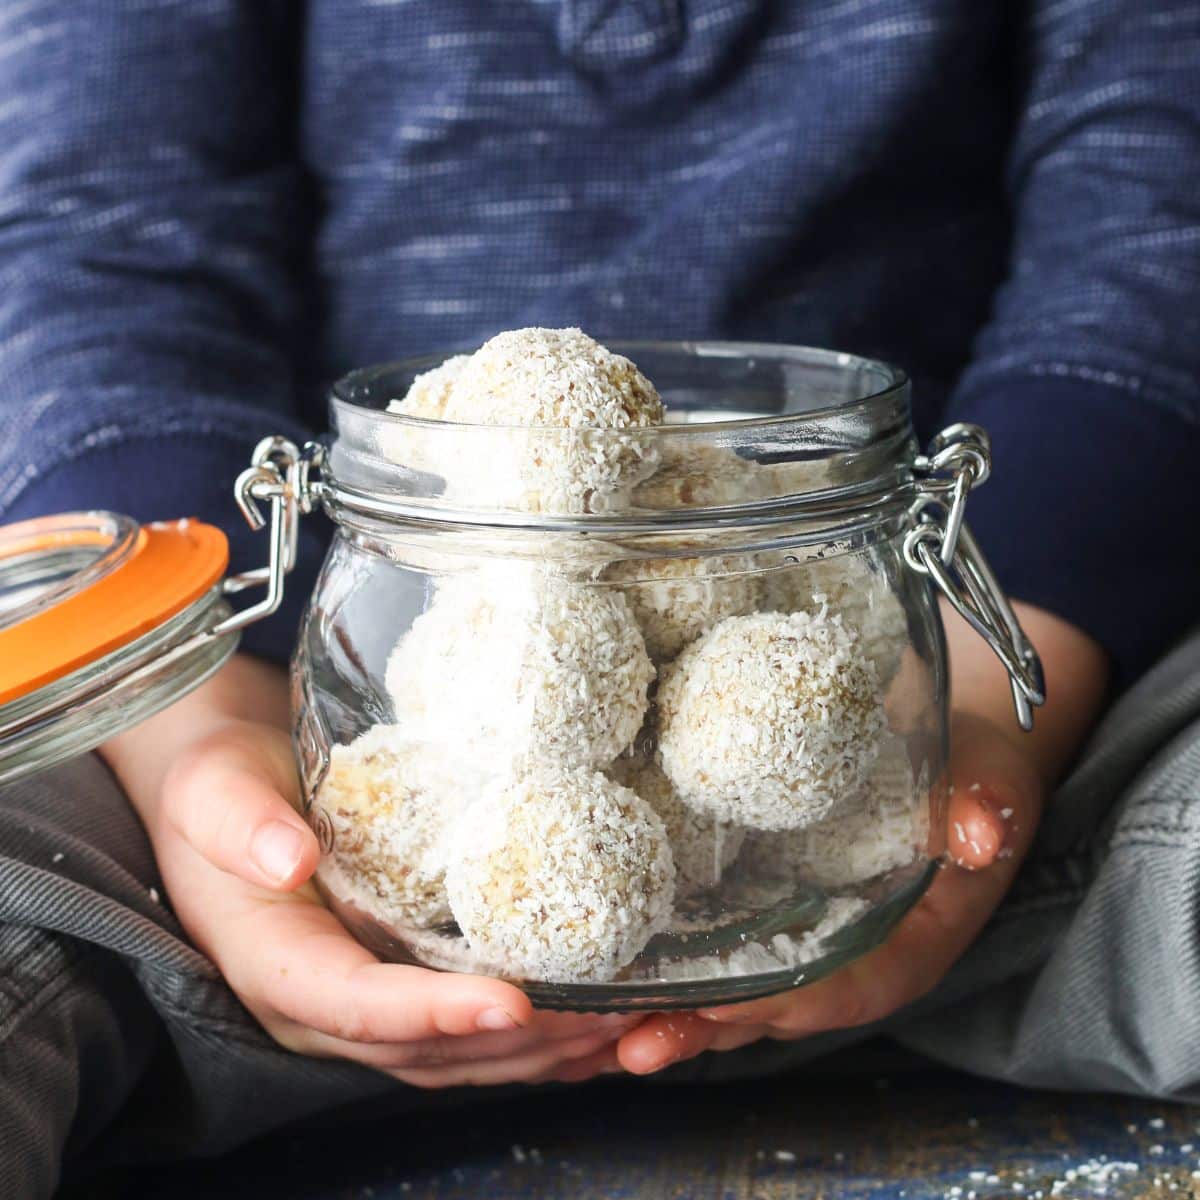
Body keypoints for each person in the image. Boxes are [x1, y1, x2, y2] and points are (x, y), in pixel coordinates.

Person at [0, 2, 1198, 1195]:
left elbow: (1156, 233)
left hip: (975, 675)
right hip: (290, 720)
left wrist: (993, 686)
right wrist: (195, 734)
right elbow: (104, 236)